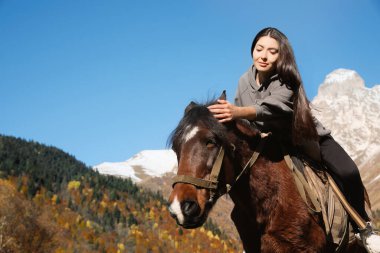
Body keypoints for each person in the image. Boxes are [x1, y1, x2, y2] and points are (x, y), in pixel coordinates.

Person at [207, 27, 380, 252]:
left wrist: (238, 112)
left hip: (306, 139)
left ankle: (363, 229)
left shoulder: (287, 79)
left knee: (348, 172)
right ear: (252, 51)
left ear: (282, 56)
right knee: (240, 202)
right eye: (259, 49)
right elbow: (246, 126)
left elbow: (274, 107)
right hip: (268, 144)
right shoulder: (244, 81)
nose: (263, 55)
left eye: (272, 51)